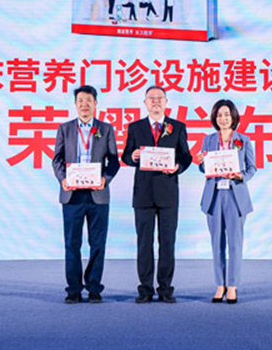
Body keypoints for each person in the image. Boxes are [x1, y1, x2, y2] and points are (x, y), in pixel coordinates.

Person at [121, 86, 192, 303]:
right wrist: (133, 156)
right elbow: (125, 155)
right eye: (151, 98)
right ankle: (145, 289)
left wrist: (177, 167)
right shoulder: (135, 127)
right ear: (145, 102)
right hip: (143, 194)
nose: (155, 101)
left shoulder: (177, 127)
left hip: (168, 194)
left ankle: (165, 289)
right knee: (144, 244)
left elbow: (186, 157)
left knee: (167, 243)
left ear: (166, 102)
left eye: (159, 98)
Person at [52, 85, 120, 304]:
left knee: (97, 243)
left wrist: (105, 179)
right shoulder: (65, 128)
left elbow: (114, 161)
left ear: (95, 104)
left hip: (97, 194)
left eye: (88, 101)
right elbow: (57, 159)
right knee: (72, 243)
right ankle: (73, 289)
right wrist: (63, 179)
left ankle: (94, 287)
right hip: (72, 195)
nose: (84, 104)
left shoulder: (105, 129)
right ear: (75, 104)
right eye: (80, 101)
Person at [196, 99, 256, 304]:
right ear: (215, 118)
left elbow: (252, 168)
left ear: (233, 117)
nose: (223, 118)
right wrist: (201, 162)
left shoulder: (243, 140)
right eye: (219, 115)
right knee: (216, 243)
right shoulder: (208, 139)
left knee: (235, 244)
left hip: (235, 195)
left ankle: (232, 286)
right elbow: (204, 169)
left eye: (227, 115)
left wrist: (241, 176)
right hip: (214, 196)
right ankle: (219, 285)